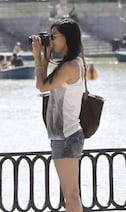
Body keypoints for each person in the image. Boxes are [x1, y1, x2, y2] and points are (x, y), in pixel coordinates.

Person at [32, 18, 84, 212]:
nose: (51, 40)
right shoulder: (68, 64)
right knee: (69, 194)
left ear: (67, 38)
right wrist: (45, 56)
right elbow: (45, 85)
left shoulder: (70, 66)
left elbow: (41, 85)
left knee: (71, 195)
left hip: (68, 135)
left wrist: (39, 57)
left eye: (54, 36)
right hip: (60, 135)